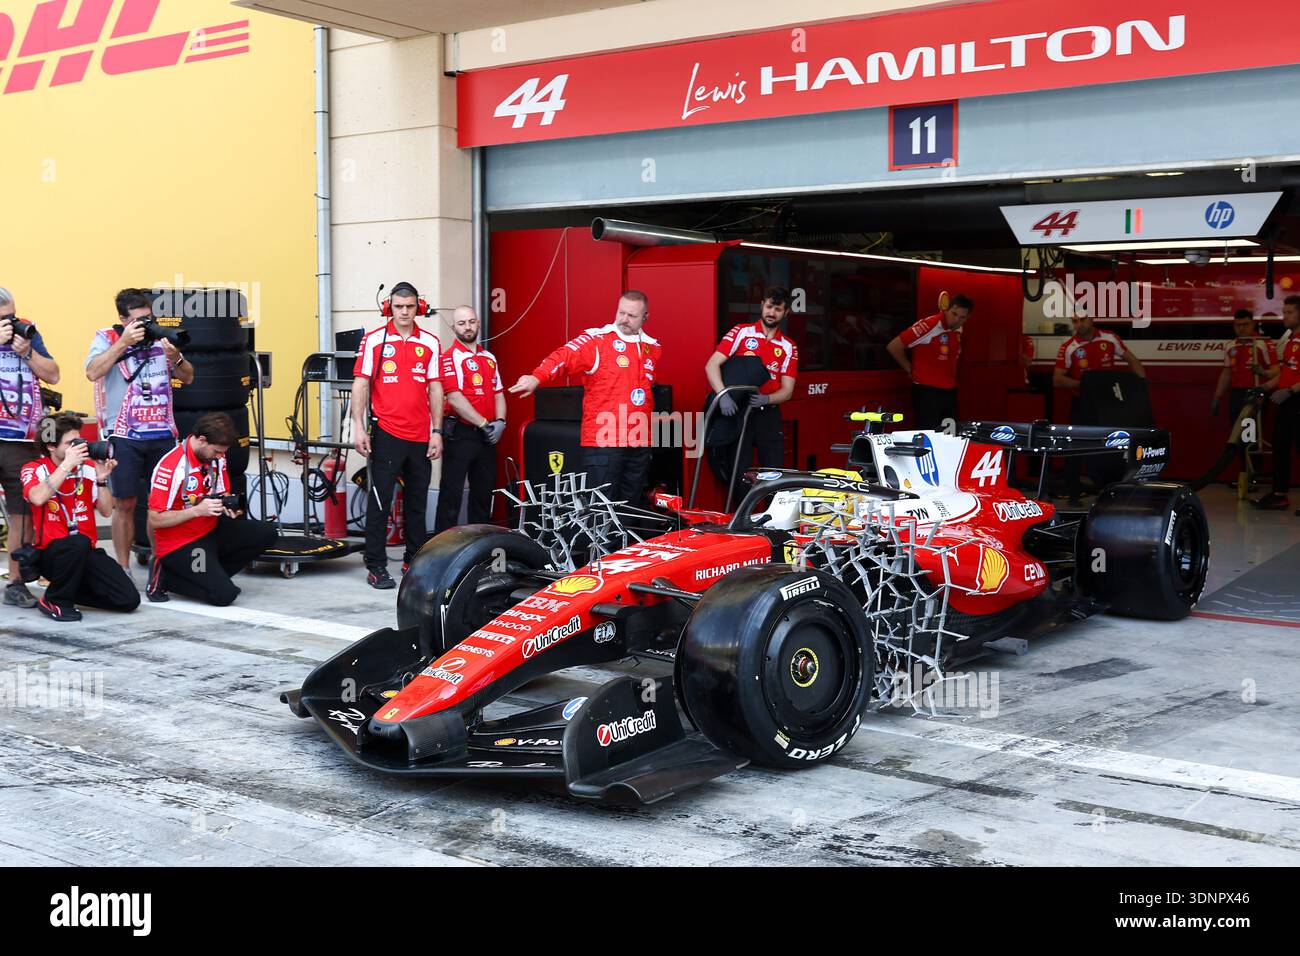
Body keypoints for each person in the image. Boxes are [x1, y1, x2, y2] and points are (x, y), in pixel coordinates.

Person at [509, 290, 661, 505]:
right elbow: (564, 357)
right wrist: (537, 377)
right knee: (602, 510)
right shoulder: (596, 340)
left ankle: (628, 541)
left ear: (645, 317)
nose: (624, 320)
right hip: (604, 440)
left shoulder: (653, 347)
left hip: (639, 439)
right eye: (621, 313)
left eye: (632, 316)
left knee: (633, 507)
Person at [85, 288, 195, 570]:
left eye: (148, 318)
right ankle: (123, 568)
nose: (146, 325)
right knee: (125, 504)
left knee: (162, 505)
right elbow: (92, 372)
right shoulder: (107, 337)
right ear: (123, 319)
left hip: (161, 433)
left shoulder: (161, 339)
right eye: (138, 320)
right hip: (124, 435)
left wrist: (176, 359)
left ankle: (161, 566)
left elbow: (189, 377)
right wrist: (123, 342)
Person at [351, 282, 443, 589]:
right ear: (390, 307)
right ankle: (375, 565)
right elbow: (361, 384)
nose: (405, 312)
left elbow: (436, 388)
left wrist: (437, 431)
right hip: (387, 433)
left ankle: (413, 560)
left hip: (420, 435)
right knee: (380, 502)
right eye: (399, 306)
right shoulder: (375, 340)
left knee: (417, 503)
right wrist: (358, 426)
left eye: (410, 306)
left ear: (419, 307)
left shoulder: (430, 342)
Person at [146, 412, 276, 606]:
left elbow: (221, 492)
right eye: (216, 451)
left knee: (266, 533)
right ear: (201, 440)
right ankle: (167, 575)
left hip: (210, 530)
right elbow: (154, 519)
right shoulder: (172, 466)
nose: (220, 456)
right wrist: (196, 511)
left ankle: (212, 577)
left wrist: (227, 505)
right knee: (224, 596)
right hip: (182, 542)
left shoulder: (216, 457)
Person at [20, 415, 138, 621]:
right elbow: (37, 498)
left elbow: (106, 511)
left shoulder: (88, 469)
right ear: (50, 446)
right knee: (78, 541)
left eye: (79, 441)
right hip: (51, 553)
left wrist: (102, 480)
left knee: (128, 599)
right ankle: (55, 600)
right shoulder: (34, 468)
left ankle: (69, 589)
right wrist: (66, 465)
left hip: (85, 551)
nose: (78, 448)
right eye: (70, 444)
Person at [705, 285, 799, 501]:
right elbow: (712, 365)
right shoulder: (741, 332)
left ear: (785, 313)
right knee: (740, 472)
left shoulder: (788, 346)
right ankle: (742, 524)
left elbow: (788, 391)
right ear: (761, 306)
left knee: (774, 472)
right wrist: (723, 396)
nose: (771, 312)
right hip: (740, 411)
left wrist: (767, 398)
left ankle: (774, 524)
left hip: (768, 413)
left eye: (778, 309)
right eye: (769, 306)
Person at [1, 286, 61, 609]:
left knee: (21, 514)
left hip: (21, 439)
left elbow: (54, 373)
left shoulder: (28, 333)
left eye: (12, 315)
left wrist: (27, 353)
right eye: (3, 319)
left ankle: (16, 581)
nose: (11, 324)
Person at [1053, 312, 1146, 502]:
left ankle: (1112, 488)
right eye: (1074, 321)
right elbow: (1057, 379)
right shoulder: (1069, 347)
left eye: (1082, 320)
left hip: (1108, 403)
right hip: (1083, 403)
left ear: (1091, 319)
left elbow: (1133, 360)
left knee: (1112, 445)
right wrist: (1083, 384)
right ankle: (1072, 490)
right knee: (1076, 446)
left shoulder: (1109, 338)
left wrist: (1142, 384)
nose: (1078, 324)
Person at [434, 306, 505, 534]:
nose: (467, 327)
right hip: (460, 435)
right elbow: (455, 399)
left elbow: (499, 393)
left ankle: (479, 546)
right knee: (451, 495)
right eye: (462, 323)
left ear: (478, 323)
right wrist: (484, 423)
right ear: (454, 327)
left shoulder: (489, 357)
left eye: (471, 322)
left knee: (483, 495)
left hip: (488, 437)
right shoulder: (448, 357)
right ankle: (442, 550)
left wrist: (501, 422)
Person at [887, 294, 973, 431]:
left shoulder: (958, 330)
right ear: (946, 310)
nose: (956, 320)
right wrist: (910, 370)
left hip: (949, 391)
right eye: (954, 314)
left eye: (962, 317)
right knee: (926, 436)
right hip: (927, 391)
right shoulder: (930, 324)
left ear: (968, 318)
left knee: (950, 435)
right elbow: (894, 346)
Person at [1252, 295, 1300, 512]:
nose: (1285, 315)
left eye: (1290, 312)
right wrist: (1264, 386)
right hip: (1286, 400)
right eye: (1285, 310)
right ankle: (1279, 495)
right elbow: (1285, 374)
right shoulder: (1290, 340)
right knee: (1280, 447)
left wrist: (1290, 391)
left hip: (1296, 399)